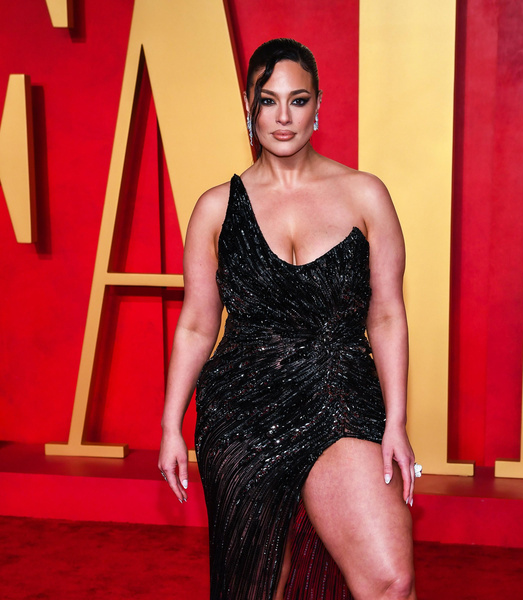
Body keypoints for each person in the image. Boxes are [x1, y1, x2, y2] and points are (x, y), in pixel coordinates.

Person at [158, 38, 418, 600]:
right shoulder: (215, 209)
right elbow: (198, 325)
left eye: (297, 100)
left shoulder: (365, 195)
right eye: (268, 100)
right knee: (257, 589)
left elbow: (387, 315)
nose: (283, 117)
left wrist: (396, 420)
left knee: (390, 581)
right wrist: (169, 424)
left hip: (340, 394)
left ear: (317, 105)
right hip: (243, 409)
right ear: (248, 107)